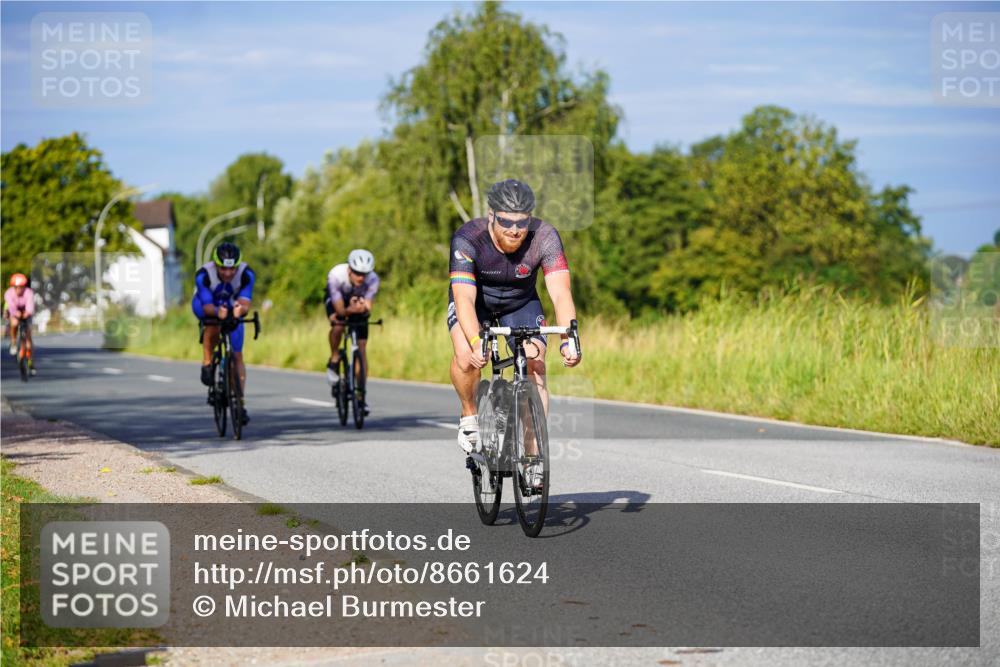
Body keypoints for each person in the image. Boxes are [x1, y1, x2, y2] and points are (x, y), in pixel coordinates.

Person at [447, 179, 581, 458]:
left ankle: (533, 457)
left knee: (536, 363)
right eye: (506, 222)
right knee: (466, 355)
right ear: (492, 215)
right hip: (476, 304)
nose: (515, 230)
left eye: (522, 223)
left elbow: (560, 292)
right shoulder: (467, 238)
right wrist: (475, 341)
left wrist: (569, 339)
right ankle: (470, 414)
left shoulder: (545, 237)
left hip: (520, 303)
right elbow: (464, 299)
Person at [192, 242, 255, 424]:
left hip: (230, 305)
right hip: (207, 304)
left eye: (232, 269)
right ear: (215, 264)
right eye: (223, 269)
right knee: (212, 326)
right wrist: (217, 312)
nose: (228, 274)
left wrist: (240, 310)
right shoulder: (204, 275)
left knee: (237, 356)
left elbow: (245, 302)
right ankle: (207, 362)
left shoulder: (246, 274)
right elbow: (207, 305)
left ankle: (240, 403)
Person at [325, 249, 379, 412]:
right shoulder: (335, 275)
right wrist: (349, 310)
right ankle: (335, 358)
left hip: (357, 306)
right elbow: (340, 311)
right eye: (357, 273)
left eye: (364, 274)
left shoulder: (373, 279)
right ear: (349, 269)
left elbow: (368, 308)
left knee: (361, 350)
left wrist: (362, 308)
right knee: (338, 324)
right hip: (338, 301)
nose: (361, 277)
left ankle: (361, 396)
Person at [4, 273, 36, 375]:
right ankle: (13, 342)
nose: (19, 290)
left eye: (21, 287)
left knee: (28, 338)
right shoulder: (9, 293)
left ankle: (30, 362)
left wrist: (27, 313)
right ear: (13, 287)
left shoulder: (29, 293)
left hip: (26, 312)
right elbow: (11, 307)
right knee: (14, 322)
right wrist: (15, 313)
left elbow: (30, 306)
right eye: (17, 287)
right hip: (15, 311)